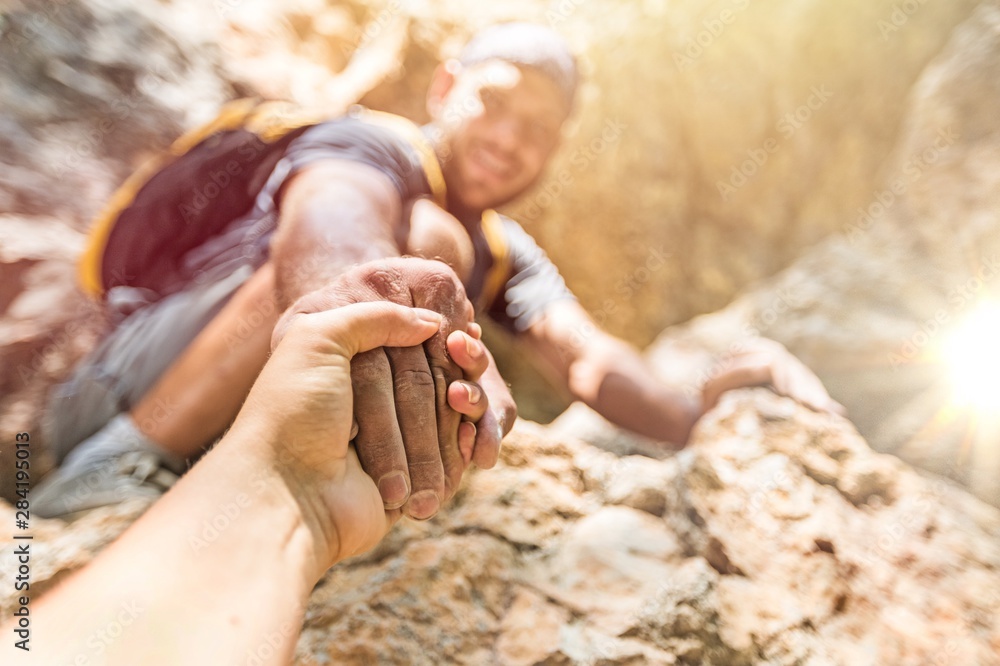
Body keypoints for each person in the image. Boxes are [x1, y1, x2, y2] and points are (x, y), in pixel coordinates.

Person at [33, 22, 843, 520]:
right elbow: (331, 217)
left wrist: (697, 412)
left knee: (437, 249)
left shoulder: (504, 249)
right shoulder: (370, 144)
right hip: (123, 387)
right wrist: (360, 297)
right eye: (496, 102)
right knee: (425, 247)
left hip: (246, 394)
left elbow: (585, 357)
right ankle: (122, 458)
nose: (511, 139)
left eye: (540, 130)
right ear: (446, 87)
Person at [3, 302, 452, 665]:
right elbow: (334, 211)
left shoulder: (506, 258)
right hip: (110, 427)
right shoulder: (361, 197)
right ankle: (102, 471)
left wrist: (299, 491)